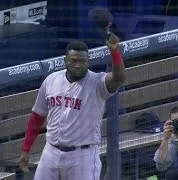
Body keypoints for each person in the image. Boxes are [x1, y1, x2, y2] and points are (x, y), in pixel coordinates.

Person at [18, 33, 126, 180]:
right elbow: (37, 117)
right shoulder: (52, 80)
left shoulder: (96, 82)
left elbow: (118, 78)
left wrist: (114, 52)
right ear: (65, 60)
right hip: (51, 151)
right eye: (73, 60)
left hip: (82, 156)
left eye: (82, 61)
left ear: (88, 62)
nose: (77, 65)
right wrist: (26, 149)